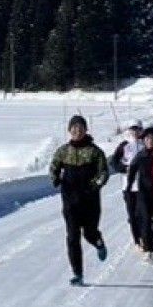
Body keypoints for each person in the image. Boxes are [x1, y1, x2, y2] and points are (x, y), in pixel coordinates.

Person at [50, 115, 109, 285]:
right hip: (70, 201)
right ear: (69, 130)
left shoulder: (95, 152)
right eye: (74, 128)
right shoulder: (63, 151)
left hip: (90, 201)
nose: (77, 131)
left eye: (80, 127)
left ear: (86, 130)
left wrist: (95, 185)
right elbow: (54, 166)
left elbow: (103, 173)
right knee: (72, 237)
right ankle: (78, 274)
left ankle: (98, 242)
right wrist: (55, 178)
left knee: (89, 232)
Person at [127, 126, 153, 262]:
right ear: (143, 140)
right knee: (145, 222)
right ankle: (149, 250)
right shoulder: (141, 155)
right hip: (143, 193)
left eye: (152, 138)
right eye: (147, 138)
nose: (149, 141)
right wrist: (128, 186)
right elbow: (132, 169)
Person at [110, 119, 144, 252]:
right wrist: (125, 168)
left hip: (143, 186)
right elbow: (113, 162)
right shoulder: (123, 145)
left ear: (141, 130)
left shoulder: (145, 143)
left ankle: (145, 236)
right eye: (132, 129)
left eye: (137, 129)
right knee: (132, 215)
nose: (135, 132)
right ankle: (137, 240)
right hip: (128, 187)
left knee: (143, 214)